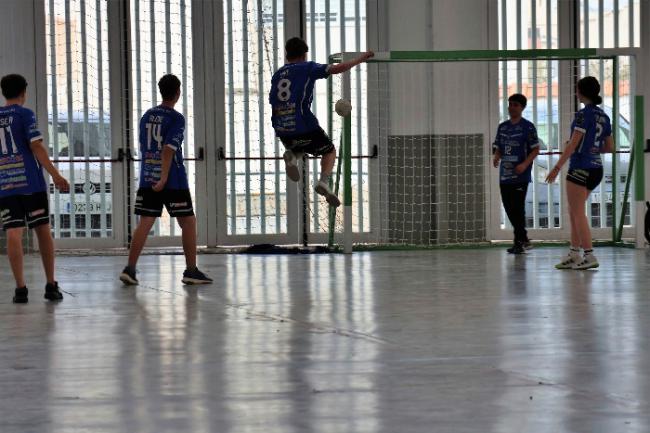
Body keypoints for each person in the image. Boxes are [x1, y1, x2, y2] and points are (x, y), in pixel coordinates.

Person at [120, 74, 212, 285]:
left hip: (147, 176)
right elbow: (168, 150)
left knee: (144, 223)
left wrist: (153, 175)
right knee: (188, 221)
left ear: (160, 91)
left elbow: (146, 147)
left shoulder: (146, 116)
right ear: (178, 93)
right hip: (172, 179)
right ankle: (191, 270)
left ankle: (130, 268)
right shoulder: (176, 118)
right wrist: (163, 178)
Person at [269, 37, 373, 207]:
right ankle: (323, 181)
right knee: (330, 151)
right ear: (304, 54)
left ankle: (292, 155)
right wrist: (362, 58)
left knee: (302, 146)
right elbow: (338, 68)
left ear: (287, 56)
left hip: (281, 128)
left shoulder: (278, 74)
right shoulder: (307, 67)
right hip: (303, 124)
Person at [0, 74, 69, 303]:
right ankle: (50, 284)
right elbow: (36, 146)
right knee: (42, 230)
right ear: (23, 92)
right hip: (30, 182)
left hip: (6, 184)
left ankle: (20, 289)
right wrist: (56, 175)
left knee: (13, 233)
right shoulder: (25, 114)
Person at [545, 76, 614, 270]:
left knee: (577, 213)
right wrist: (592, 148)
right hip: (596, 169)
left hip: (580, 166)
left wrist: (557, 167)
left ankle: (589, 255)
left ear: (580, 91)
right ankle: (574, 253)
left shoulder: (584, 115)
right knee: (574, 212)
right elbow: (610, 147)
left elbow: (573, 144)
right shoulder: (604, 116)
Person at [493, 93, 540, 254]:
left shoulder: (528, 127)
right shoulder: (503, 127)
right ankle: (523, 238)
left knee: (518, 208)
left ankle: (519, 241)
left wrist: (525, 164)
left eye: (515, 105)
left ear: (522, 108)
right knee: (509, 208)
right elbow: (498, 146)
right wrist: (496, 157)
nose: (511, 107)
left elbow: (535, 149)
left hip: (521, 175)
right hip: (505, 175)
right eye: (510, 104)